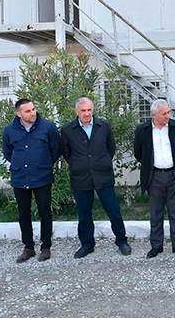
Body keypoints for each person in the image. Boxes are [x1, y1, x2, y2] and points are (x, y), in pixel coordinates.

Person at [61, 97, 131, 258]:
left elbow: (111, 148)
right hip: (81, 178)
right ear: (76, 111)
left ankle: (122, 241)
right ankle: (87, 244)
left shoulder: (104, 126)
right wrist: (78, 164)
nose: (87, 113)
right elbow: (66, 153)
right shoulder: (68, 130)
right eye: (83, 110)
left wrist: (103, 161)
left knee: (114, 210)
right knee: (84, 214)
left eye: (89, 110)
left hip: (103, 175)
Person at [2, 99, 61, 263]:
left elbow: (56, 150)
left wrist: (43, 164)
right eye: (27, 111)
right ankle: (28, 248)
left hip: (42, 177)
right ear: (18, 114)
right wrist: (21, 164)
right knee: (23, 214)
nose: (32, 113)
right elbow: (8, 153)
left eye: (33, 109)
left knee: (45, 212)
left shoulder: (48, 127)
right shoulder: (9, 130)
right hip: (20, 178)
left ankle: (46, 247)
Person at [134, 99, 175, 258]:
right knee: (156, 213)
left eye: (168, 112)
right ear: (154, 115)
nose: (167, 116)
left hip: (173, 175)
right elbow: (139, 153)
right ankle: (156, 246)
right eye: (164, 113)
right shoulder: (143, 130)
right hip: (154, 176)